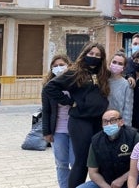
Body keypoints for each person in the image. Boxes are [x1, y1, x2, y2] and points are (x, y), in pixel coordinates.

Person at [44, 42, 111, 188]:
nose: (94, 57)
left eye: (98, 55)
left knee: (100, 160)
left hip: (99, 122)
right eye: (91, 54)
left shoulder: (103, 74)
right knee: (81, 162)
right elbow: (50, 87)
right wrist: (69, 101)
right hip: (80, 121)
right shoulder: (75, 72)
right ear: (85, 54)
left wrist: (130, 76)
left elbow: (120, 73)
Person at [77, 109, 139, 188]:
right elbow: (93, 172)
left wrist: (121, 179)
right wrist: (106, 186)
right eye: (105, 121)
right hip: (106, 183)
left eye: (113, 120)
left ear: (121, 122)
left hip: (130, 179)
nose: (109, 124)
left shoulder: (133, 136)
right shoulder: (96, 141)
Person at [42, 53, 74, 188]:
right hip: (58, 130)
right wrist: (46, 132)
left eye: (62, 65)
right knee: (61, 163)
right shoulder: (48, 87)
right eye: (55, 66)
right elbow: (46, 110)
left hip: (75, 130)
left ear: (68, 66)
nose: (59, 68)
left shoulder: (75, 83)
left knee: (76, 162)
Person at [108, 51, 134, 126]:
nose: (116, 65)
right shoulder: (103, 81)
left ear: (124, 67)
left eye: (120, 64)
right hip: (102, 122)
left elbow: (128, 110)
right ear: (110, 63)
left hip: (117, 123)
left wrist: (126, 127)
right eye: (114, 62)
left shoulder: (127, 84)